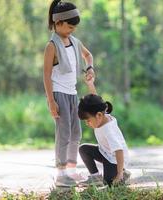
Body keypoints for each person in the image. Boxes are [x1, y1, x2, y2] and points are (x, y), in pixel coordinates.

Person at [43, 0, 95, 187]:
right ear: (58, 23)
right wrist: (51, 101)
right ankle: (61, 174)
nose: (72, 30)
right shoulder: (52, 46)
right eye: (70, 27)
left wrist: (89, 68)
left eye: (74, 27)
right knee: (63, 134)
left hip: (72, 94)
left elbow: (88, 56)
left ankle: (71, 171)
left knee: (76, 134)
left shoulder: (75, 42)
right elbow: (47, 75)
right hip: (59, 94)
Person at [78, 74, 131, 187]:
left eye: (88, 120)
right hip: (104, 152)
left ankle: (123, 173)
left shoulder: (108, 130)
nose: (87, 124)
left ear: (98, 115)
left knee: (109, 184)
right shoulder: (102, 113)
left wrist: (119, 174)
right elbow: (95, 98)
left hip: (115, 159)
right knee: (83, 149)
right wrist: (90, 84)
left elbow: (119, 151)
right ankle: (95, 177)